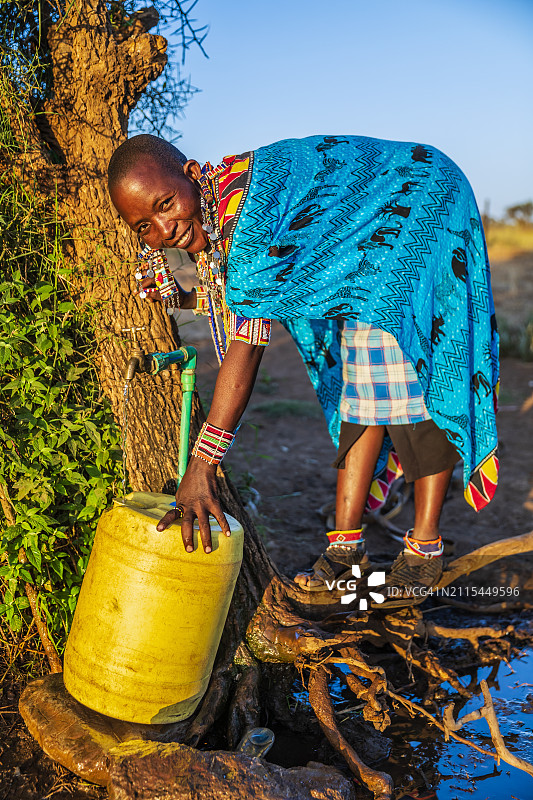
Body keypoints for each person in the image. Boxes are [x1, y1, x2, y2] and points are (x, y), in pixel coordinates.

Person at [107, 133, 499, 604]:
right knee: (362, 384)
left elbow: (248, 342)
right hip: (370, 249)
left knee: (418, 372)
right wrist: (184, 297)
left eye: (166, 203)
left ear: (192, 174)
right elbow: (245, 299)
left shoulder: (248, 217)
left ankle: (424, 552)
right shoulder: (218, 210)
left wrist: (203, 463)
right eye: (144, 225)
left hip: (424, 198)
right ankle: (346, 549)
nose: (164, 228)